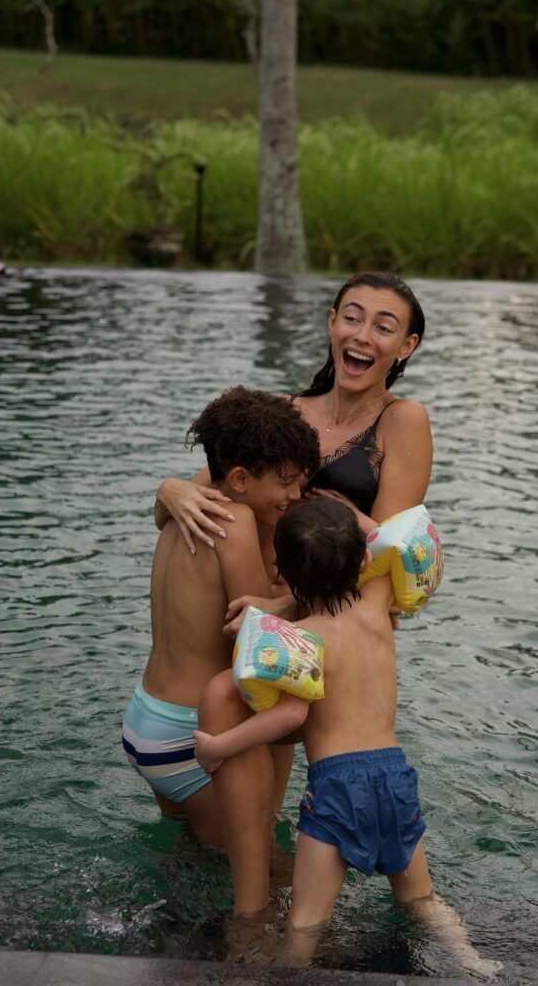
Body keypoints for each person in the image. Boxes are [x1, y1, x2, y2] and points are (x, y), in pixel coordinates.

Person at [192, 499, 501, 978]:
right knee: (421, 899)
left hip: (339, 787)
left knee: (305, 925)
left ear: (286, 578)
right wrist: (349, 515)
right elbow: (395, 539)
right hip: (395, 774)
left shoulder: (302, 639)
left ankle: (286, 978)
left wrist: (219, 747)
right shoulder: (378, 604)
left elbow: (287, 716)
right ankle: (475, 964)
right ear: (361, 562)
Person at [121, 386, 321, 915]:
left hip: (147, 718)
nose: (297, 493)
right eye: (285, 482)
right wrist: (299, 597)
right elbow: (256, 634)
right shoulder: (232, 527)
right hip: (192, 731)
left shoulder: (180, 516)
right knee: (265, 874)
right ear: (238, 480)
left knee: (190, 859)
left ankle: (163, 936)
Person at [154, 272, 432, 556]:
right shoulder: (285, 412)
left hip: (338, 594)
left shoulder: (403, 419)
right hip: (255, 586)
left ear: (406, 346)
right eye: (352, 319)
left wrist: (287, 603)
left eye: (383, 328)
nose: (362, 336)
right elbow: (190, 499)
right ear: (332, 323)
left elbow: (392, 554)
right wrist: (170, 490)